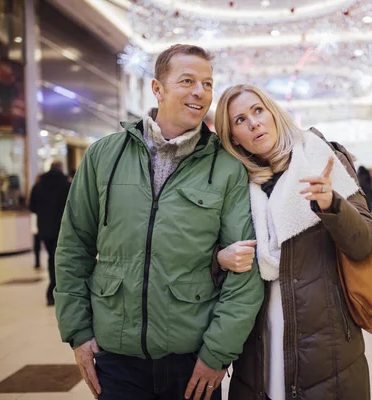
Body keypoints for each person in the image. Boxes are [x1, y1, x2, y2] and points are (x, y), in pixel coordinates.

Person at [54, 45, 264, 400]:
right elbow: (73, 246)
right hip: (116, 360)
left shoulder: (225, 168)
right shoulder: (104, 156)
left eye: (208, 83)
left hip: (191, 361)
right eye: (187, 81)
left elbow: (246, 269)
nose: (200, 91)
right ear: (157, 88)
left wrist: (216, 353)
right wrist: (78, 332)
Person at [214, 84, 372, 400]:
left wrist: (332, 204)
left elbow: (366, 242)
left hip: (325, 345)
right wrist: (220, 258)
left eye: (258, 110)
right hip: (257, 344)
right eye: (240, 120)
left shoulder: (321, 157)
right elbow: (206, 248)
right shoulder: (234, 183)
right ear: (234, 137)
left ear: (273, 113)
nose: (253, 123)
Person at [29, 161, 70, 305]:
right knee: (60, 259)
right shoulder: (66, 185)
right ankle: (54, 289)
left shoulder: (38, 186)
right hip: (62, 228)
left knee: (51, 257)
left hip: (44, 228)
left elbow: (32, 207)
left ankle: (53, 289)